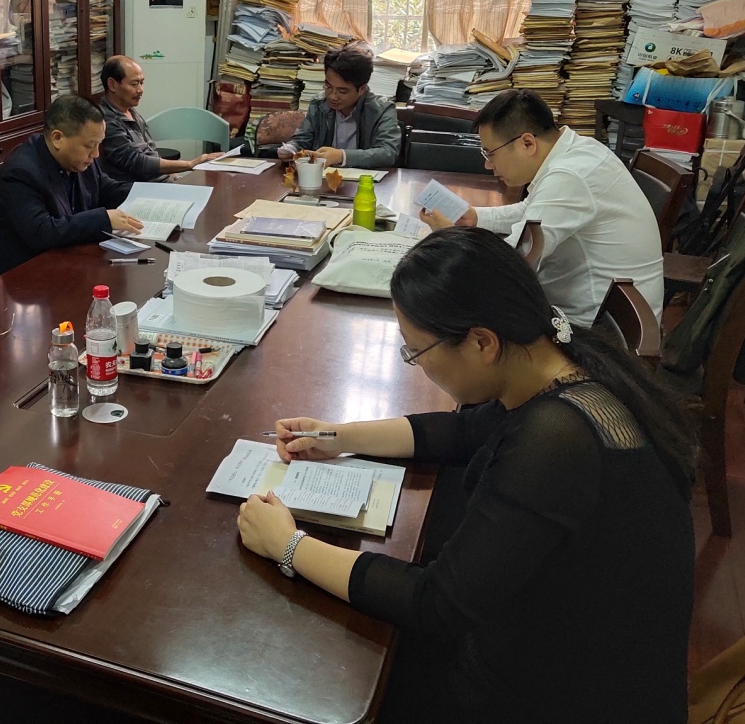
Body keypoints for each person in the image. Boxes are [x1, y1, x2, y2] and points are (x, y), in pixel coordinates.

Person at [237, 227, 696, 723]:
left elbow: (438, 603)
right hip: (553, 636)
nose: (417, 366)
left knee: (327, 679)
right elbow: (460, 432)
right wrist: (336, 437)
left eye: (417, 352)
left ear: (481, 342)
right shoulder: (553, 361)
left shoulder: (555, 441)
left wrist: (288, 545)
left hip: (567, 694)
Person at [418, 88, 663, 327]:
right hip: (591, 311)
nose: (487, 165)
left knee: (449, 316)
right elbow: (531, 211)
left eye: (490, 153)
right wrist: (475, 218)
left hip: (592, 330)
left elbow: (509, 264)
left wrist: (450, 238)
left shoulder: (571, 175)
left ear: (527, 143)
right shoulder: (579, 150)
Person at [0, 95, 143, 283]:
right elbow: (42, 232)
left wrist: (151, 194)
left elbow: (105, 188)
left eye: (98, 145)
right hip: (16, 282)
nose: (96, 154)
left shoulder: (77, 160)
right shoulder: (21, 173)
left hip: (63, 266)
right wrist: (104, 219)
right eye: (90, 146)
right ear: (57, 138)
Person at [97, 55, 223, 181]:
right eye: (134, 84)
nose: (140, 90)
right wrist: (190, 164)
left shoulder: (130, 111)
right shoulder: (106, 120)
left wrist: (173, 174)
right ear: (112, 85)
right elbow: (136, 162)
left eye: (141, 83)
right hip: (140, 188)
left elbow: (151, 152)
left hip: (161, 182)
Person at [277, 41, 400, 168]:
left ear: (361, 89)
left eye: (342, 91)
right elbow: (303, 139)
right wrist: (291, 148)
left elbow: (388, 152)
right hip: (323, 176)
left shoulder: (382, 109)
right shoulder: (318, 104)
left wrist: (341, 156)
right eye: (328, 87)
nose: (332, 96)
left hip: (364, 178)